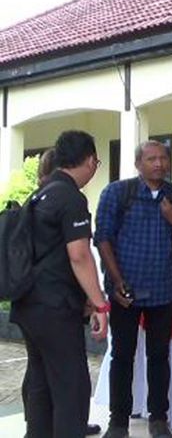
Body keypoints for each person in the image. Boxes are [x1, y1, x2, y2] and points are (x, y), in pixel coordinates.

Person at [11, 130, 110, 438]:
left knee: (40, 382)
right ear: (91, 161)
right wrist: (100, 303)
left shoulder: (41, 192)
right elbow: (79, 256)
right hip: (55, 308)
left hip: (29, 304)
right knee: (71, 386)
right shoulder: (70, 198)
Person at [96, 140, 172, 438]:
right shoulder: (117, 193)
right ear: (138, 164)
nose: (159, 164)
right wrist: (116, 280)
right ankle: (118, 422)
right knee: (122, 356)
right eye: (152, 159)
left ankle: (158, 418)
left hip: (163, 290)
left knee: (159, 356)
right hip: (126, 290)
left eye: (163, 158)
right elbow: (103, 238)